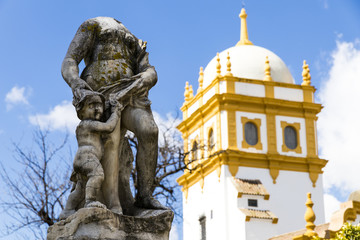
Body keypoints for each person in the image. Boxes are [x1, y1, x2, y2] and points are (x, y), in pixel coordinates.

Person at [61, 17, 166, 214]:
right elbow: (70, 59)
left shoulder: (134, 38)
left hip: (131, 93)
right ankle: (113, 204)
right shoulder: (93, 24)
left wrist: (150, 76)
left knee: (149, 130)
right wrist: (75, 82)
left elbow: (147, 68)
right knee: (111, 141)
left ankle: (145, 196)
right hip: (100, 94)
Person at [59, 94, 121, 219]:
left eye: (99, 105)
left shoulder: (84, 126)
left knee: (80, 188)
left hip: (81, 159)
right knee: (97, 175)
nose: (97, 109)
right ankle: (90, 201)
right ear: (81, 113)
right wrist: (115, 113)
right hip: (88, 157)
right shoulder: (87, 124)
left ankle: (68, 209)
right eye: (92, 106)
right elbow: (109, 127)